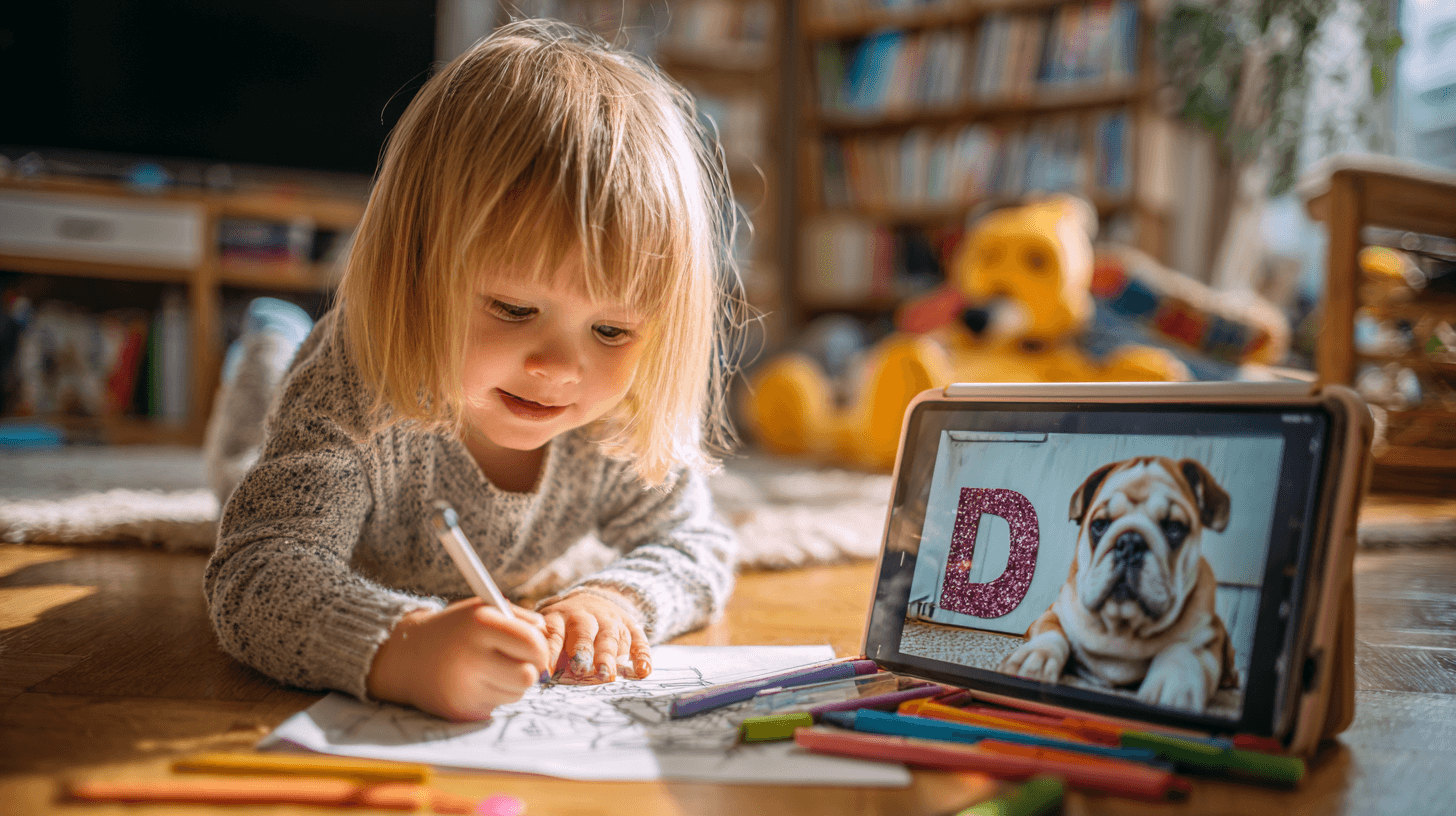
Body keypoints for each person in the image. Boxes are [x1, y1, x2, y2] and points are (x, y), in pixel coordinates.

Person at [205, 19, 745, 723]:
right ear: (413, 271)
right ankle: (268, 346)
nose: (558, 368)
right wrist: (398, 647)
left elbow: (696, 544)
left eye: (611, 329)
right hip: (308, 421)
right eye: (515, 309)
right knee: (237, 470)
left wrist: (616, 599)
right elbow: (258, 568)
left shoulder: (617, 407)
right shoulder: (350, 383)